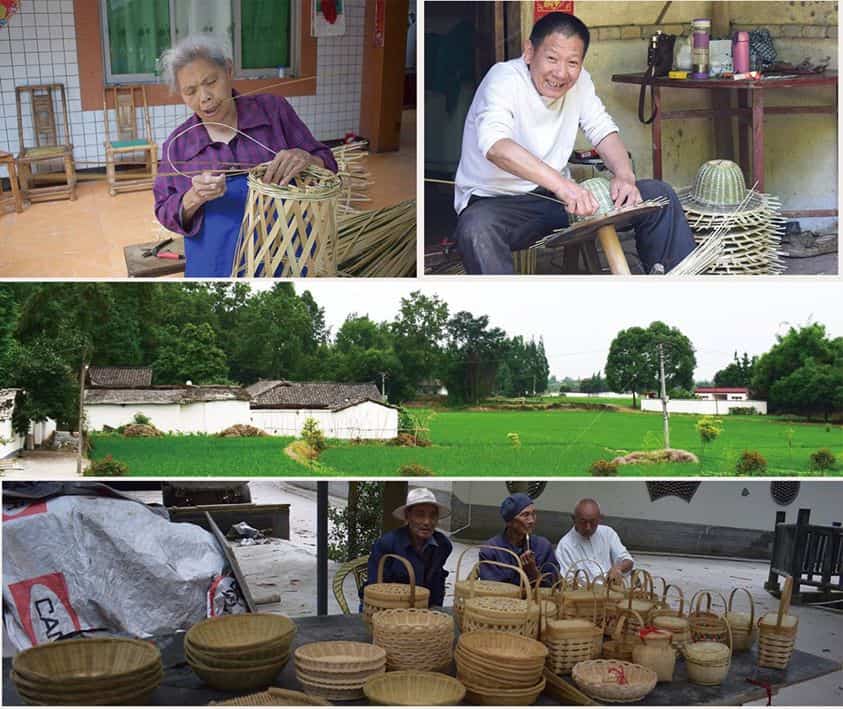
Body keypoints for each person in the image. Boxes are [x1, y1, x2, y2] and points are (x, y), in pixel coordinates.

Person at [453, 12, 695, 275]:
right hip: (500, 205)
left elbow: (602, 130)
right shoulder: (503, 79)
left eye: (572, 62)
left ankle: (675, 293)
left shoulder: (580, 82)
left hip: (558, 202)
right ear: (529, 51)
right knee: (476, 228)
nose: (561, 72)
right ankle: (506, 314)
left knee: (661, 195)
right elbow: (497, 147)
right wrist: (565, 187)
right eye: (552, 58)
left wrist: (624, 175)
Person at [153, 33, 337, 277]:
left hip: (286, 255)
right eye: (190, 91)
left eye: (211, 81)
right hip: (217, 265)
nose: (204, 97)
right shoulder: (178, 145)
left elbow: (328, 163)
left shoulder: (273, 112)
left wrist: (306, 158)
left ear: (228, 70)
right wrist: (194, 197)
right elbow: (165, 211)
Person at [361, 488, 453, 608]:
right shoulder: (387, 544)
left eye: (433, 515)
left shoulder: (443, 545)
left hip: (421, 606)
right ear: (407, 516)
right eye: (420, 515)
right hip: (385, 605)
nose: (427, 522)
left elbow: (437, 583)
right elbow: (375, 585)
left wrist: (435, 611)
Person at [479, 493, 558, 587]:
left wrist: (533, 572)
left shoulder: (543, 547)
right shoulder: (491, 550)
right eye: (525, 515)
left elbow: (554, 587)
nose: (531, 520)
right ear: (509, 522)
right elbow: (491, 589)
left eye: (533, 514)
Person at [555, 498, 633, 582]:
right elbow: (567, 583)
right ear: (574, 519)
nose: (588, 527)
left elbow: (628, 560)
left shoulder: (608, 533)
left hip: (611, 589)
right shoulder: (564, 546)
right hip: (583, 593)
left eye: (592, 522)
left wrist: (619, 568)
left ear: (600, 518)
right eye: (583, 522)